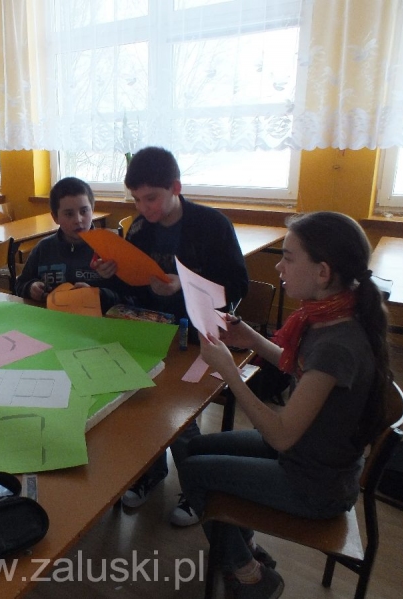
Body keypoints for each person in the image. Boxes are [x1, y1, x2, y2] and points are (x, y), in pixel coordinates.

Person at [178, 211, 391, 598]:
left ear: (323, 272)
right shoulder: (330, 314)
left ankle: (250, 576)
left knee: (194, 472)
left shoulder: (338, 343)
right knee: (194, 448)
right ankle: (246, 549)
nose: (279, 267)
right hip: (311, 456)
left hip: (315, 484)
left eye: (289, 258)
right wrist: (253, 340)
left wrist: (228, 370)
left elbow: (280, 436)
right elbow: (303, 368)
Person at [95, 147, 249, 524]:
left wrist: (184, 284)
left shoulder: (212, 225)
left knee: (180, 415)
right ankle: (152, 472)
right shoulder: (140, 228)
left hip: (200, 336)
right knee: (141, 404)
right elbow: (135, 287)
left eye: (151, 198)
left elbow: (237, 286)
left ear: (175, 188)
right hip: (154, 331)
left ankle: (198, 491)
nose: (143, 207)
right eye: (136, 199)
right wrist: (112, 273)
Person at [15, 177, 129, 313]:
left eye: (84, 211)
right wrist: (30, 288)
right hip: (52, 320)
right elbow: (19, 285)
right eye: (69, 214)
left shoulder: (110, 249)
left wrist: (97, 295)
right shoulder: (43, 249)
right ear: (55, 217)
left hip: (95, 321)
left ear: (92, 210)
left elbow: (129, 299)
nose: (78, 220)